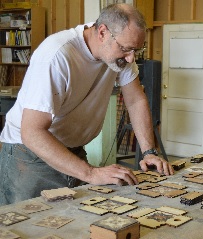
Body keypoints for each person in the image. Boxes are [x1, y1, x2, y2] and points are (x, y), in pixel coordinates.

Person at [0, 3, 174, 206]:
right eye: (126, 49)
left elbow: (135, 100)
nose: (131, 58)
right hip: (30, 156)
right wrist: (90, 173)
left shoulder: (122, 55)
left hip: (72, 149)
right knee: (28, 227)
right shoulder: (56, 56)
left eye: (136, 50)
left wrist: (149, 152)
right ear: (102, 32)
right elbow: (31, 132)